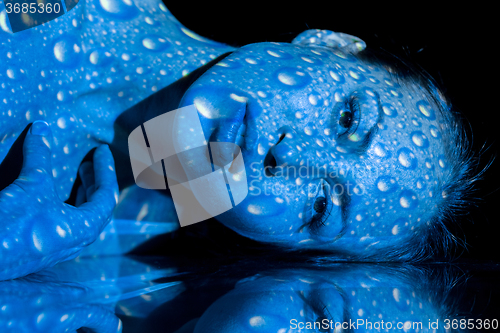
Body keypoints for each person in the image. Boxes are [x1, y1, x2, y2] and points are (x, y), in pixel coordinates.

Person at [0, 0, 479, 280]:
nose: (290, 156)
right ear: (328, 43)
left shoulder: (97, 244)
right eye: (348, 117)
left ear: (277, 250)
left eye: (319, 208)